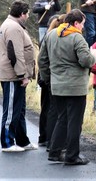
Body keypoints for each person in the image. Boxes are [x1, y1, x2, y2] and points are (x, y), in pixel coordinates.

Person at [38, 9, 96, 165]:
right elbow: (86, 61)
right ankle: (72, 156)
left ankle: (55, 152)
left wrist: (48, 79)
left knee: (62, 118)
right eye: (83, 24)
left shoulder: (50, 35)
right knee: (74, 122)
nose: (83, 27)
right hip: (75, 87)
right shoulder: (77, 38)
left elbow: (42, 60)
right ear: (76, 23)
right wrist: (94, 55)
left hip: (56, 86)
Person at [0, 0, 38, 152]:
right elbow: (16, 54)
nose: (27, 17)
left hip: (15, 75)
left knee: (19, 109)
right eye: (27, 14)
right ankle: (7, 142)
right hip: (13, 76)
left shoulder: (13, 25)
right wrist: (22, 75)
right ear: (22, 14)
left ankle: (22, 140)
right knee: (12, 110)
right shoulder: (13, 27)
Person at [37, 14, 66, 149]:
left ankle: (44, 137)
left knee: (47, 107)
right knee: (52, 109)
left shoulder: (46, 37)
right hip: (49, 77)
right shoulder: (54, 37)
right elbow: (43, 60)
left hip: (45, 76)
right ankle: (49, 138)